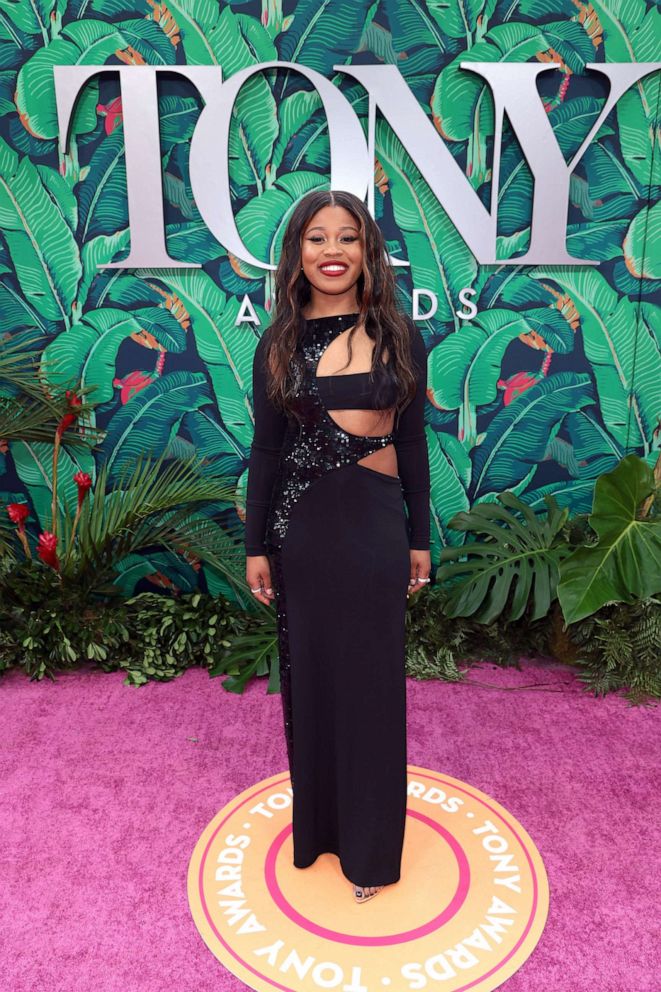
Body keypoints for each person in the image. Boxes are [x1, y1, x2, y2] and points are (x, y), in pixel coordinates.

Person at [244, 189, 431, 905]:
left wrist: (419, 534)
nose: (331, 251)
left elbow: (411, 440)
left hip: (377, 525)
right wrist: (257, 543)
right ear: (296, 252)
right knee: (313, 679)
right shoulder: (279, 341)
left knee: (374, 686)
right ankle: (319, 830)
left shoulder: (398, 334)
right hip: (304, 529)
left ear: (366, 252)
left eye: (346, 238)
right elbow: (266, 450)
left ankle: (371, 852)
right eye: (316, 237)